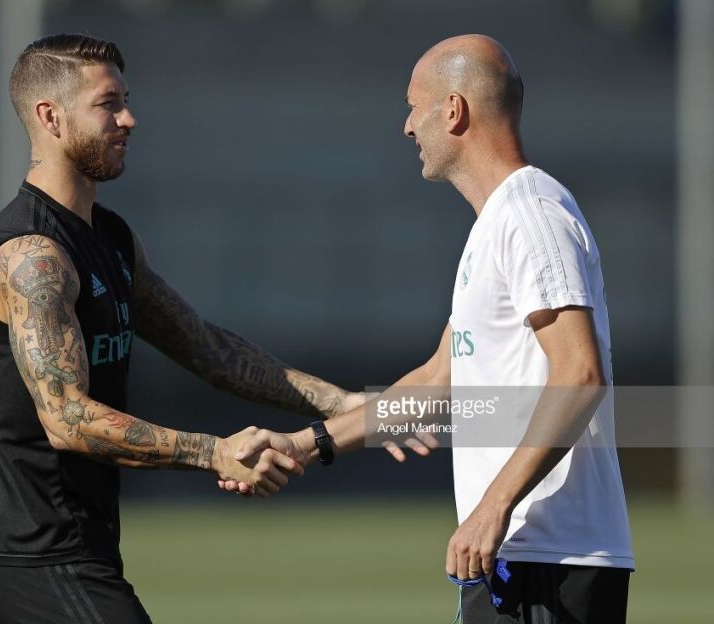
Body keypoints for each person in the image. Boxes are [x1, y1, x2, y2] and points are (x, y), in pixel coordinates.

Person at [0, 33, 371, 624]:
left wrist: (345, 405)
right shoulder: (33, 257)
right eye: (108, 105)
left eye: (126, 101)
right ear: (50, 117)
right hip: (35, 557)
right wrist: (215, 453)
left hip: (80, 546)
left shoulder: (111, 237)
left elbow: (208, 349)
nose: (129, 119)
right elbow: (67, 419)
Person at [226, 34, 634, 623]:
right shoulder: (494, 225)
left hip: (551, 557)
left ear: (453, 110)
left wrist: (493, 506)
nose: (406, 126)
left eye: (413, 107)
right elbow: (438, 379)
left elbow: (580, 374)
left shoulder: (531, 215)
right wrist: (304, 444)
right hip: (516, 555)